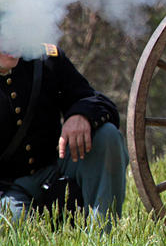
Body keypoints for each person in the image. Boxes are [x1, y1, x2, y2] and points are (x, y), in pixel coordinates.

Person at [0, 44, 128, 226]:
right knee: (7, 227)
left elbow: (94, 100)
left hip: (54, 170)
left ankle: (103, 235)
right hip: (7, 189)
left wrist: (81, 115)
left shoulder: (45, 58)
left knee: (107, 135)